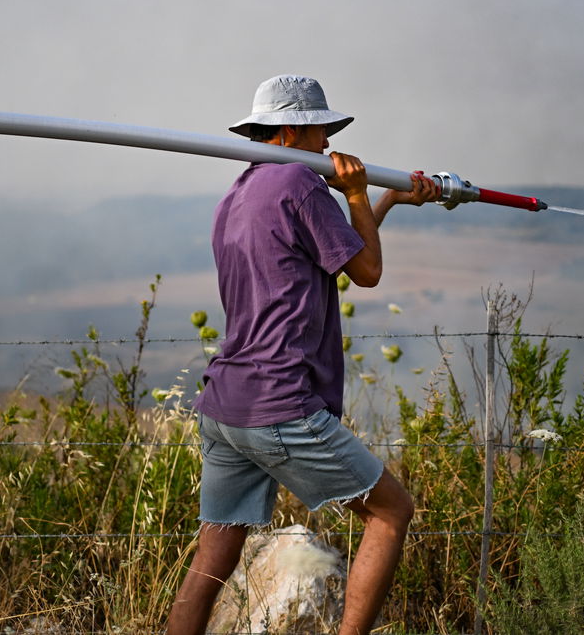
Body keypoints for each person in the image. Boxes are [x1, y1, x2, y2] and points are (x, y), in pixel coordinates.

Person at [165, 74, 439, 635]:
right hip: (280, 401)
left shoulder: (240, 192)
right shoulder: (299, 182)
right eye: (321, 133)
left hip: (225, 404)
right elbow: (366, 272)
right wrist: (358, 194)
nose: (329, 146)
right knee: (391, 513)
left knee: (214, 555)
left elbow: (332, 251)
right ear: (292, 130)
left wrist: (384, 201)